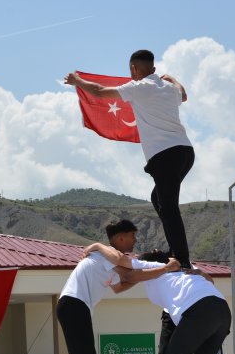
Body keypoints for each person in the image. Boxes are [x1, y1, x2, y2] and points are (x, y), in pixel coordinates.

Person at [65, 49, 194, 269]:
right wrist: (173, 78)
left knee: (169, 206)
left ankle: (181, 259)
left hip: (165, 155)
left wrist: (78, 81)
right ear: (153, 69)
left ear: (134, 69)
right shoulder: (169, 88)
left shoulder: (139, 87)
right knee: (159, 199)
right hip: (184, 151)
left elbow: (99, 91)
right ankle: (175, 250)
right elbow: (183, 94)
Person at [57, 220, 179, 354]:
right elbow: (130, 273)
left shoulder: (112, 261)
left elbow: (121, 286)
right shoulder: (107, 255)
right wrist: (166, 268)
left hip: (77, 308)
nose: (136, 240)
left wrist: (158, 271)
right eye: (133, 236)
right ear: (120, 237)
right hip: (73, 306)